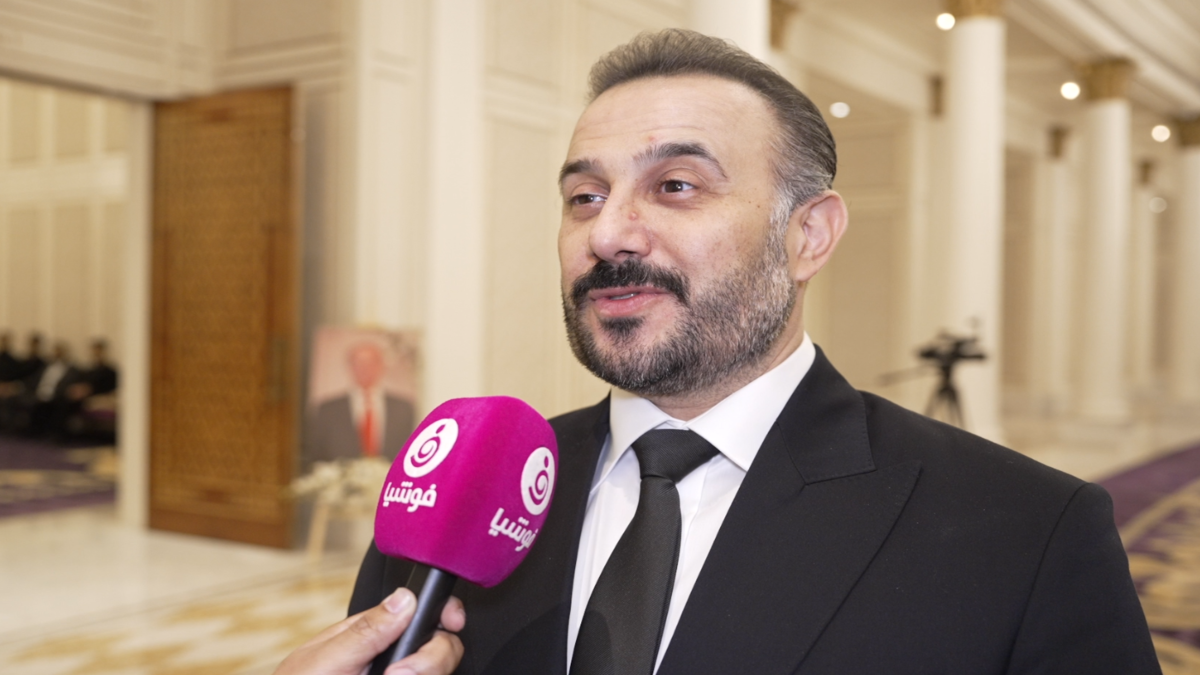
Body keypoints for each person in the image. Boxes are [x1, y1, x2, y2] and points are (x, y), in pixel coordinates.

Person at [286, 29, 1159, 675]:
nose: (609, 232)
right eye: (584, 195)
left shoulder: (1031, 535)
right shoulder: (461, 495)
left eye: (675, 185)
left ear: (808, 236)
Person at [306, 340, 416, 464]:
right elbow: (316, 455)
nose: (365, 368)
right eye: (359, 363)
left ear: (382, 366)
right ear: (350, 367)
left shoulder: (403, 408)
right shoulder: (327, 410)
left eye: (371, 363)